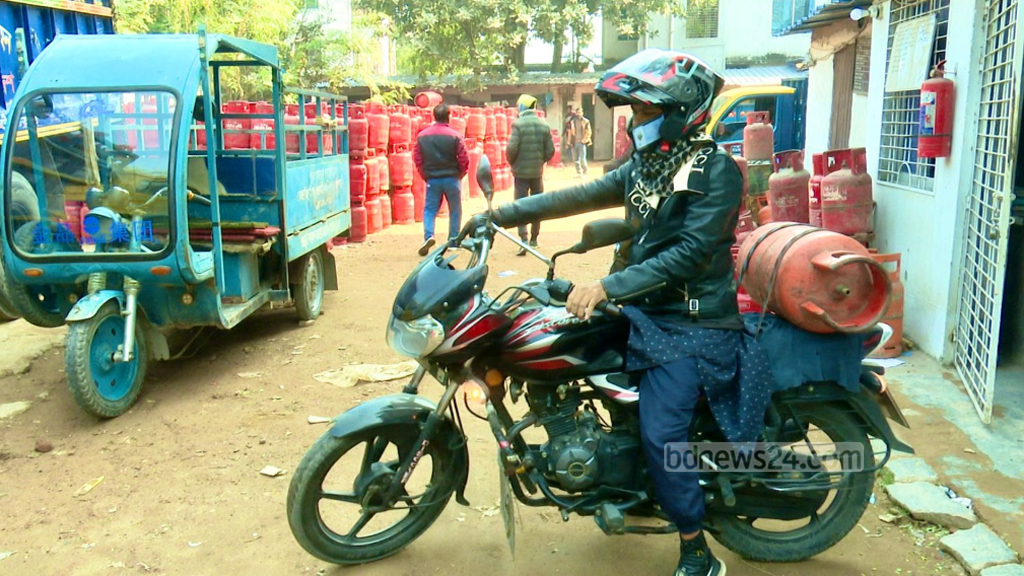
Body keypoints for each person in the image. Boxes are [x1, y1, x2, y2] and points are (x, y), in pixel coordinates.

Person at [482, 49, 774, 576]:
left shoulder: (717, 172)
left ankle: (696, 551)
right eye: (632, 113)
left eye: (642, 113)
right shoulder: (649, 163)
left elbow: (688, 252)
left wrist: (606, 284)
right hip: (643, 308)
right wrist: (497, 215)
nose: (633, 123)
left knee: (663, 435)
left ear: (682, 111)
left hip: (691, 322)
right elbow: (579, 195)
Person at [413, 103, 469, 256]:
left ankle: (429, 236)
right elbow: (464, 158)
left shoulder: (422, 136)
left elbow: (417, 158)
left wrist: (425, 174)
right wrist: (460, 174)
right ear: (448, 116)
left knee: (430, 209)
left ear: (434, 116)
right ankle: (453, 241)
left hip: (433, 179)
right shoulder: (455, 135)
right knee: (455, 210)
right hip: (452, 178)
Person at [506, 94, 554, 255]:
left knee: (520, 206)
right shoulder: (543, 125)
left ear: (521, 107)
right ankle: (534, 239)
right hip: (537, 173)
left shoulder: (517, 124)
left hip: (520, 174)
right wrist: (540, 161)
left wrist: (513, 163)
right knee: (537, 204)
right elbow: (550, 151)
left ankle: (523, 240)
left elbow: (512, 148)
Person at [563, 106, 592, 178]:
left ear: (582, 113)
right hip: (574, 143)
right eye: (577, 112)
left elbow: (589, 132)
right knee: (575, 159)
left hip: (582, 143)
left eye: (580, 112)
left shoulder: (586, 121)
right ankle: (579, 172)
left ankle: (585, 172)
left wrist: (584, 140)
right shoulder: (572, 122)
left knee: (582, 159)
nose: (578, 114)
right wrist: (568, 143)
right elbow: (569, 133)